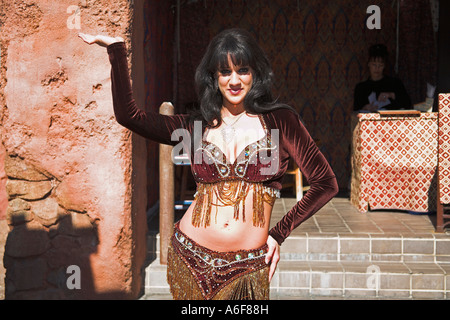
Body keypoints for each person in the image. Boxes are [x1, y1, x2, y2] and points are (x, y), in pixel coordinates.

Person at [79, 28, 338, 300]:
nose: (234, 80)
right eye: (225, 72)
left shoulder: (281, 121)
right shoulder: (195, 127)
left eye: (243, 70)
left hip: (247, 267)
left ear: (256, 74)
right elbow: (129, 116)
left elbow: (325, 183)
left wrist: (279, 233)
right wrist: (117, 49)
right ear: (214, 78)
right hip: (190, 257)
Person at [354, 44, 412, 112]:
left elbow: (408, 104)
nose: (377, 68)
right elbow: (355, 111)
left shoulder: (395, 83)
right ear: (369, 64)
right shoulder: (361, 88)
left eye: (380, 65)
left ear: (384, 66)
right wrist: (365, 108)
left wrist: (391, 95)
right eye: (374, 65)